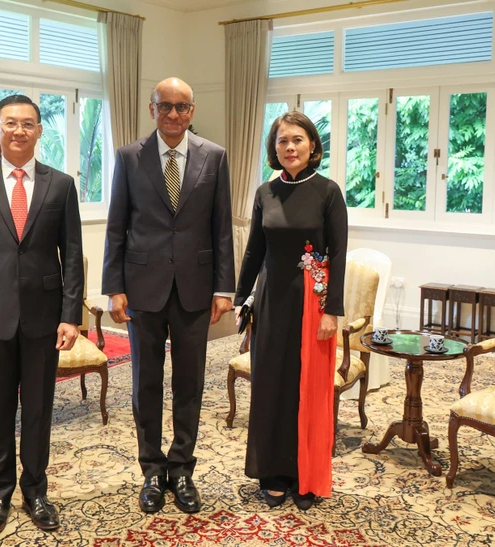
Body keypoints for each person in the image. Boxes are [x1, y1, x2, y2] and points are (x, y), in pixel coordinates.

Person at [102, 77, 235, 515]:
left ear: (192, 110)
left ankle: (181, 469)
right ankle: (152, 471)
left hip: (196, 289)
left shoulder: (214, 157)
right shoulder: (129, 157)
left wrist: (223, 286)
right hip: (143, 288)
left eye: (182, 107)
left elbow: (221, 227)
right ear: (151, 109)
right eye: (165, 106)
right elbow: (117, 225)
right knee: (146, 382)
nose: (174, 114)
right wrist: (114, 288)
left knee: (190, 383)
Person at [0, 94, 84, 536]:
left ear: (39, 131)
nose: (19, 131)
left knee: (39, 409)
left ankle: (36, 490)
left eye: (28, 124)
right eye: (10, 123)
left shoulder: (61, 184)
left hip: (45, 318)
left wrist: (71, 315)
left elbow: (74, 253)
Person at [234, 111, 347, 511]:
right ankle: (274, 473)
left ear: (313, 146)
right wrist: (239, 298)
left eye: (298, 140)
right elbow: (255, 251)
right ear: (274, 148)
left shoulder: (328, 191)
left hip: (312, 305)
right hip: (270, 302)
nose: (290, 147)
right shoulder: (265, 193)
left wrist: (333, 309)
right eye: (283, 141)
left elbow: (339, 252)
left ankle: (305, 476)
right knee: (271, 388)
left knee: (308, 390)